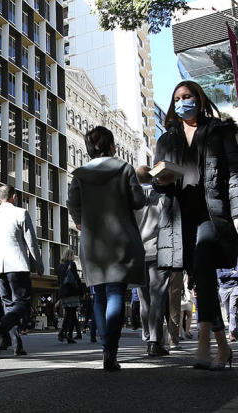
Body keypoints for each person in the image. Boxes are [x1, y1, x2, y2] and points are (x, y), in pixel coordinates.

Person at [154, 81, 238, 371]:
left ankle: (204, 341)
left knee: (205, 262)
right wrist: (159, 178)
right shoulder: (166, 139)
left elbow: (235, 173)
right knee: (203, 279)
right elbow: (161, 182)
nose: (183, 102)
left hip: (212, 214)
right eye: (178, 98)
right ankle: (222, 346)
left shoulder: (219, 132)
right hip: (180, 219)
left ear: (199, 98)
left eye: (188, 96)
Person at [68, 126, 146, 371]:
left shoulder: (79, 174)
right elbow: (138, 201)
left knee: (99, 296)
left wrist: (81, 222)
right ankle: (111, 351)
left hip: (93, 243)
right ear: (112, 146)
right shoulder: (124, 168)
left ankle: (105, 349)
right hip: (121, 239)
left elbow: (73, 205)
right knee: (115, 293)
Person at [0, 185, 43, 356]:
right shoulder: (21, 213)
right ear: (13, 197)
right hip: (17, 264)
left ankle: (17, 345)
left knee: (8, 305)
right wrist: (38, 263)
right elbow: (31, 242)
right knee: (23, 302)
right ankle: (0, 327)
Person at [134, 165, 172, 356]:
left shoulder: (132, 199)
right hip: (158, 251)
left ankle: (148, 337)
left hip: (137, 254)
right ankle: (155, 341)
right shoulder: (162, 196)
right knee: (158, 298)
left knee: (144, 300)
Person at [56, 249, 82, 345]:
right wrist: (81, 291)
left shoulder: (60, 266)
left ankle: (66, 334)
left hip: (63, 293)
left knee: (69, 313)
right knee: (71, 314)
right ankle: (65, 333)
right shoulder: (72, 264)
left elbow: (58, 282)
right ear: (71, 255)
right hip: (72, 292)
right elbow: (76, 278)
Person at [216, 257, 238, 342]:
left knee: (233, 310)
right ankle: (234, 331)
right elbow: (219, 275)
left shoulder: (237, 259)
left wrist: (226, 275)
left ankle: (231, 332)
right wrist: (232, 272)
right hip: (223, 288)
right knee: (228, 313)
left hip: (234, 287)